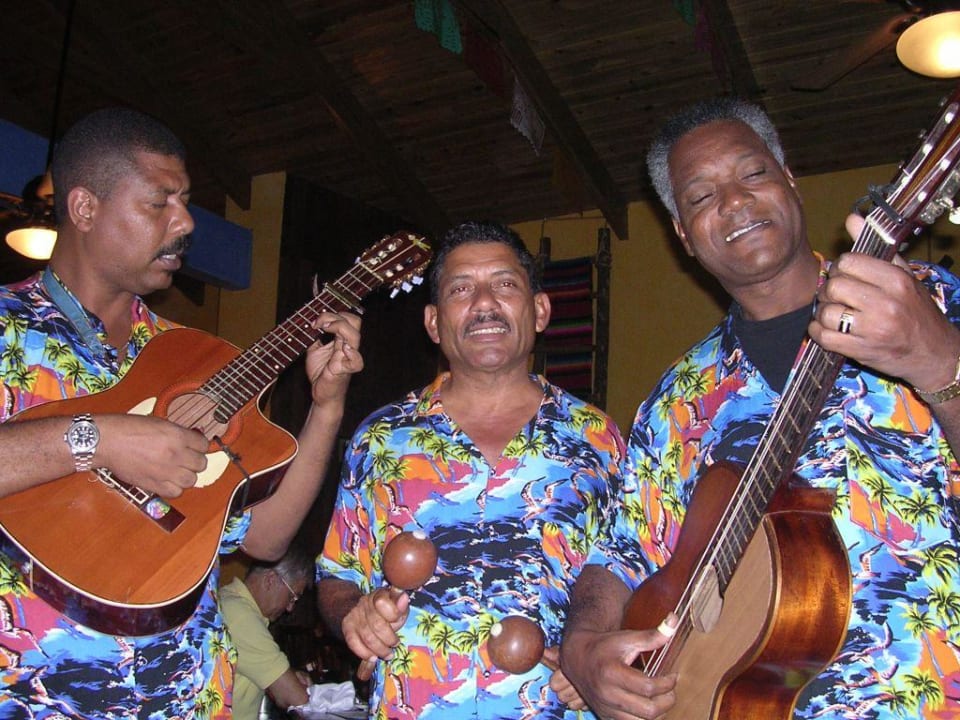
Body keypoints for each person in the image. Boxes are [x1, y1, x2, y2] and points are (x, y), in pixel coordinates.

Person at [560, 97, 960, 720]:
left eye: (753, 173)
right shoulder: (676, 401)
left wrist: (939, 363)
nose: (734, 201)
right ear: (684, 237)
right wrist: (583, 648)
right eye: (701, 196)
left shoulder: (929, 302)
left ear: (790, 181)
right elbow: (620, 552)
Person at [0, 107, 363, 718]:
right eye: (159, 203)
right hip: (35, 691)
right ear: (84, 208)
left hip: (188, 694)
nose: (186, 222)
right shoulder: (8, 329)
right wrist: (101, 440)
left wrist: (326, 408)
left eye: (186, 201)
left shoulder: (195, 358)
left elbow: (265, 537)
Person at [316, 220, 624, 718]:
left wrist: (597, 649)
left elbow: (629, 572)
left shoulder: (598, 440)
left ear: (540, 310)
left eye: (504, 284)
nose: (484, 303)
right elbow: (336, 574)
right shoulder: (379, 439)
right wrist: (355, 614)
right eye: (461, 289)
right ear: (434, 323)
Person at [221, 545, 314, 719]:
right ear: (270, 580)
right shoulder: (241, 617)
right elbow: (296, 699)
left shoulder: (229, 602)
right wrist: (289, 684)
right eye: (292, 597)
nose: (290, 608)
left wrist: (288, 676)